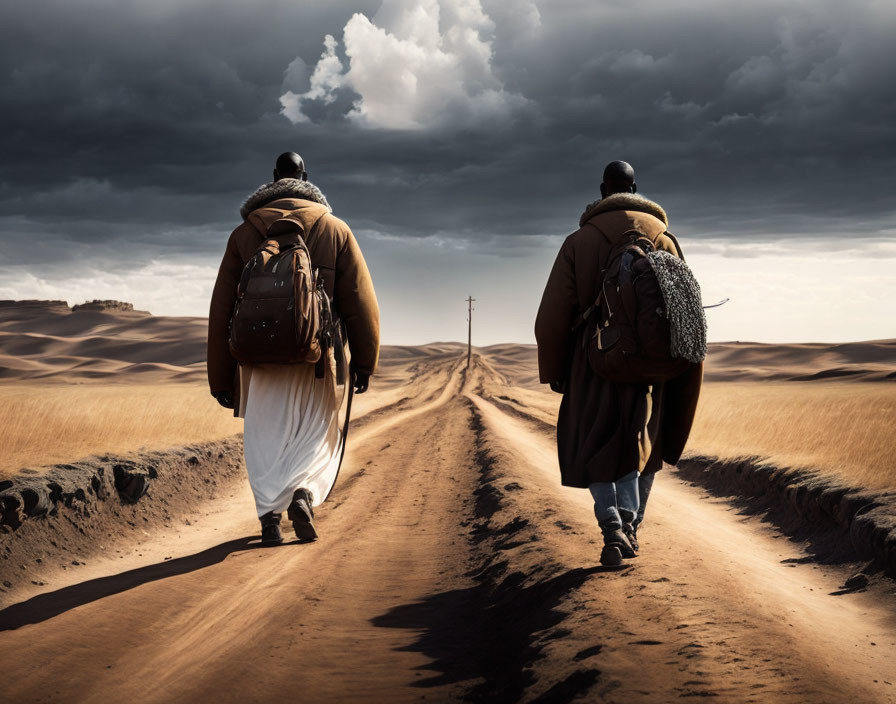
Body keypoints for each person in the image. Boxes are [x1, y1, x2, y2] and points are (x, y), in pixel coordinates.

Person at [534, 160, 702, 566]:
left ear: (602, 190)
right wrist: (681, 370)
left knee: (594, 446)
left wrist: (556, 371)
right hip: (651, 369)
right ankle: (630, 525)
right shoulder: (666, 240)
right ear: (635, 189)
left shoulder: (579, 241)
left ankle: (610, 524)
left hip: (593, 364)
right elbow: (687, 313)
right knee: (643, 447)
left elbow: (553, 315)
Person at [207, 151, 379, 545]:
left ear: (272, 180)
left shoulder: (243, 234)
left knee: (264, 435)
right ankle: (303, 493)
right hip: (315, 359)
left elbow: (221, 311)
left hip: (256, 364)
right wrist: (364, 363)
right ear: (306, 178)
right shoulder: (335, 229)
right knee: (316, 433)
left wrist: (220, 378)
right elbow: (359, 301)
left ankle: (269, 516)